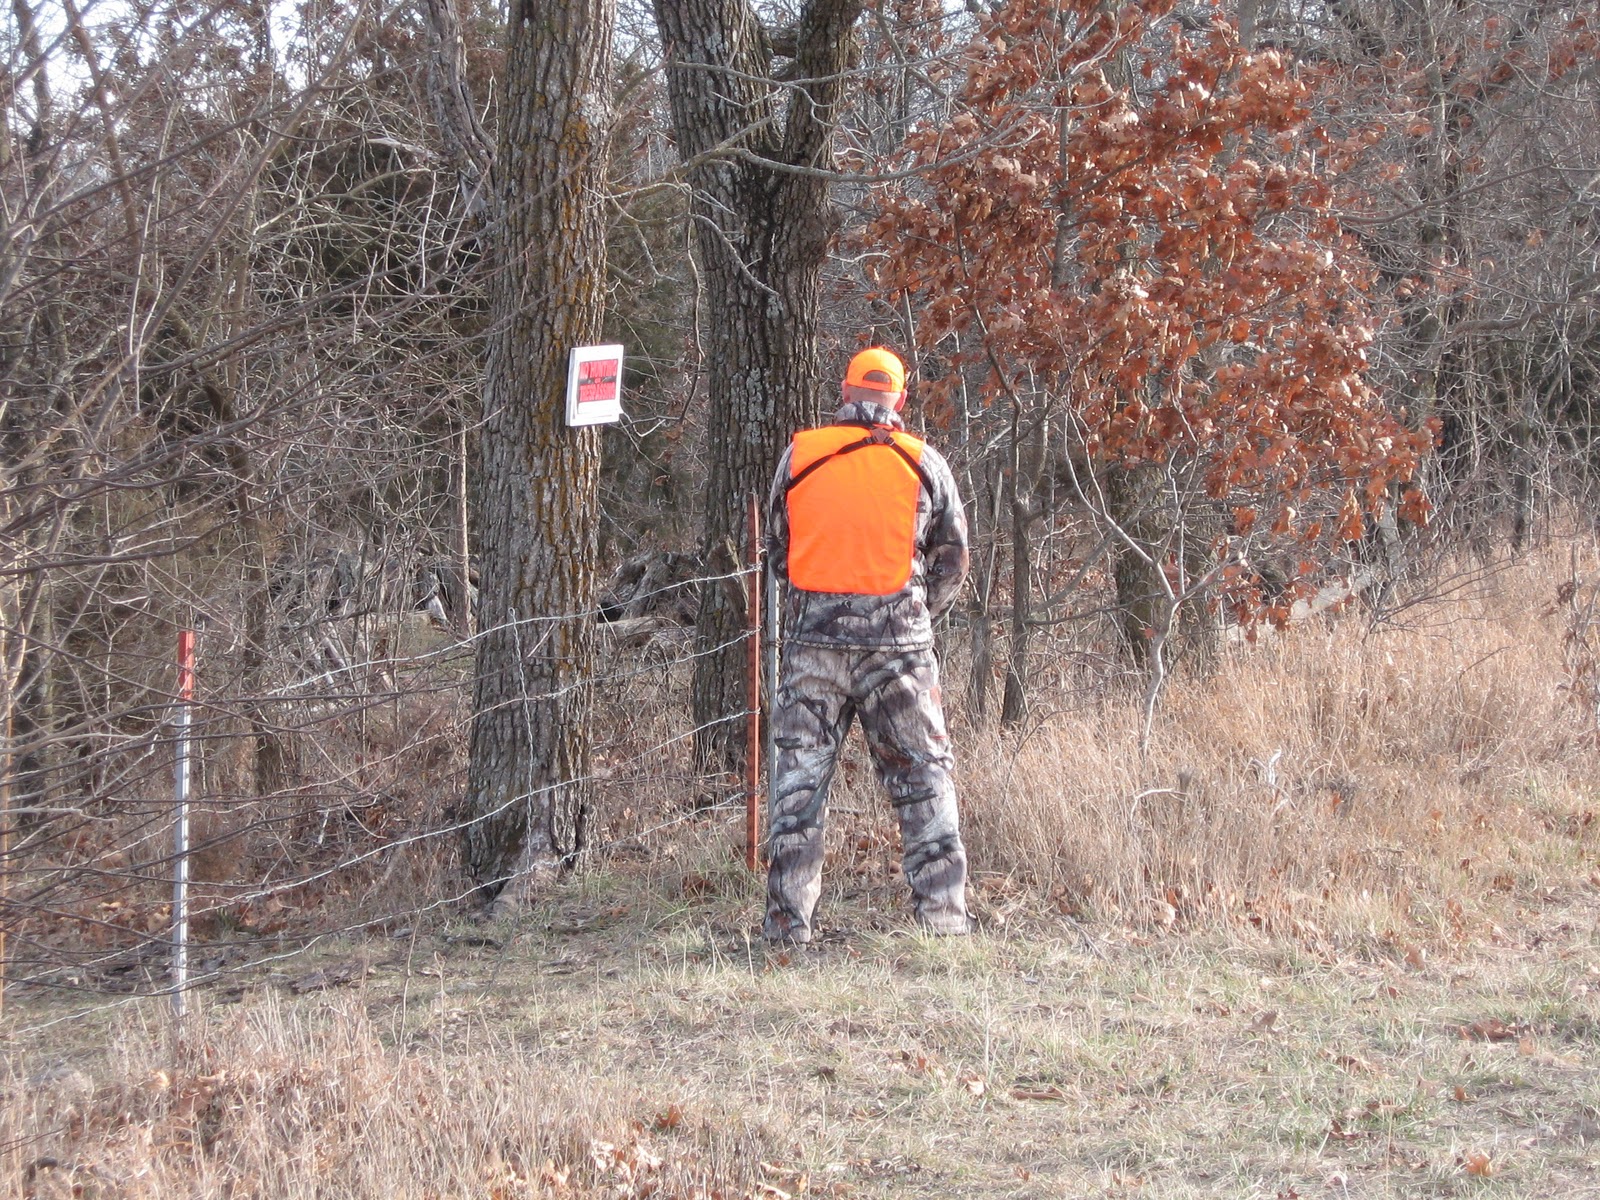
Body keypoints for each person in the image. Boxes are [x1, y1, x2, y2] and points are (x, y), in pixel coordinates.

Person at [764, 346, 972, 943]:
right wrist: (911, 615)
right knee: (924, 781)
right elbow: (952, 561)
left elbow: (779, 548)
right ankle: (944, 925)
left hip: (812, 650)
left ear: (844, 392)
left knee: (798, 788)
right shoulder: (925, 463)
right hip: (900, 653)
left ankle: (786, 930)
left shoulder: (801, 457)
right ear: (901, 400)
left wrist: (819, 606)